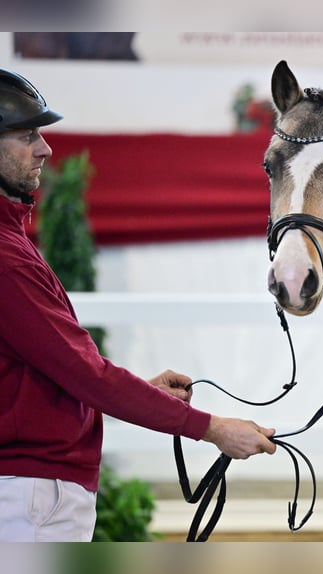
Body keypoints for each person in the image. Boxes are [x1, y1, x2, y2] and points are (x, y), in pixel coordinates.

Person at [0, 68, 277, 542]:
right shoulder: (6, 258)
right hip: (32, 494)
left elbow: (50, 378)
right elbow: (87, 374)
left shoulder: (14, 242)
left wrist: (147, 392)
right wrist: (211, 429)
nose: (45, 148)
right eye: (27, 135)